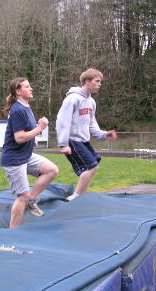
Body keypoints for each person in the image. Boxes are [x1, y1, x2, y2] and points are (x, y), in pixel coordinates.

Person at [0, 77, 59, 228]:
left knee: (51, 170)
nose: (31, 89)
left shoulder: (26, 106)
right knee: (21, 197)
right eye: (27, 87)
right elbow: (19, 138)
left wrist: (33, 138)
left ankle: (31, 199)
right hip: (14, 159)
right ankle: (13, 232)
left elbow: (25, 132)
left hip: (25, 156)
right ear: (18, 92)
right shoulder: (18, 110)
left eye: (30, 86)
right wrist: (40, 128)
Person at [56, 68, 117, 201]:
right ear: (87, 81)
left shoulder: (91, 102)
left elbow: (92, 124)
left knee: (93, 166)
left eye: (100, 82)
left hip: (83, 141)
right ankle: (76, 197)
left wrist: (104, 134)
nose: (100, 84)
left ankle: (80, 194)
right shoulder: (72, 99)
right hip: (72, 140)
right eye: (97, 81)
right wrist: (63, 144)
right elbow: (62, 121)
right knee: (91, 167)